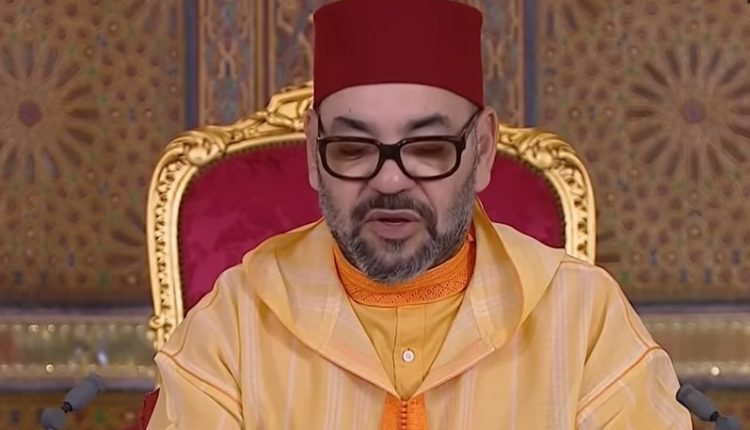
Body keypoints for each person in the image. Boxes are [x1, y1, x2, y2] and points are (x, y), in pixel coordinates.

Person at [145, 0, 691, 428]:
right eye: (353, 149)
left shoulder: (583, 320)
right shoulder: (233, 329)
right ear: (313, 152)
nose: (389, 181)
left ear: (482, 150)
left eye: (429, 149)